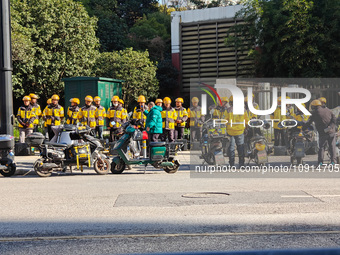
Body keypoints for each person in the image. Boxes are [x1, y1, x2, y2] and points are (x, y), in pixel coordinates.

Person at [303, 99, 337, 165]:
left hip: (322, 133)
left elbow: (309, 122)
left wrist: (303, 128)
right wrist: (330, 127)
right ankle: (333, 162)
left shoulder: (315, 113)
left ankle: (320, 162)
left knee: (322, 147)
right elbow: (334, 119)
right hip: (331, 132)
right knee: (332, 147)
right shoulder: (328, 110)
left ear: (314, 106)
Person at [223, 95, 249, 167]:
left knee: (231, 148)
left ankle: (232, 164)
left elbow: (224, 121)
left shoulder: (228, 110)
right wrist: (246, 128)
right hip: (240, 131)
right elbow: (247, 120)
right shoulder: (243, 110)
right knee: (240, 147)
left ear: (231, 102)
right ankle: (241, 164)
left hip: (230, 132)